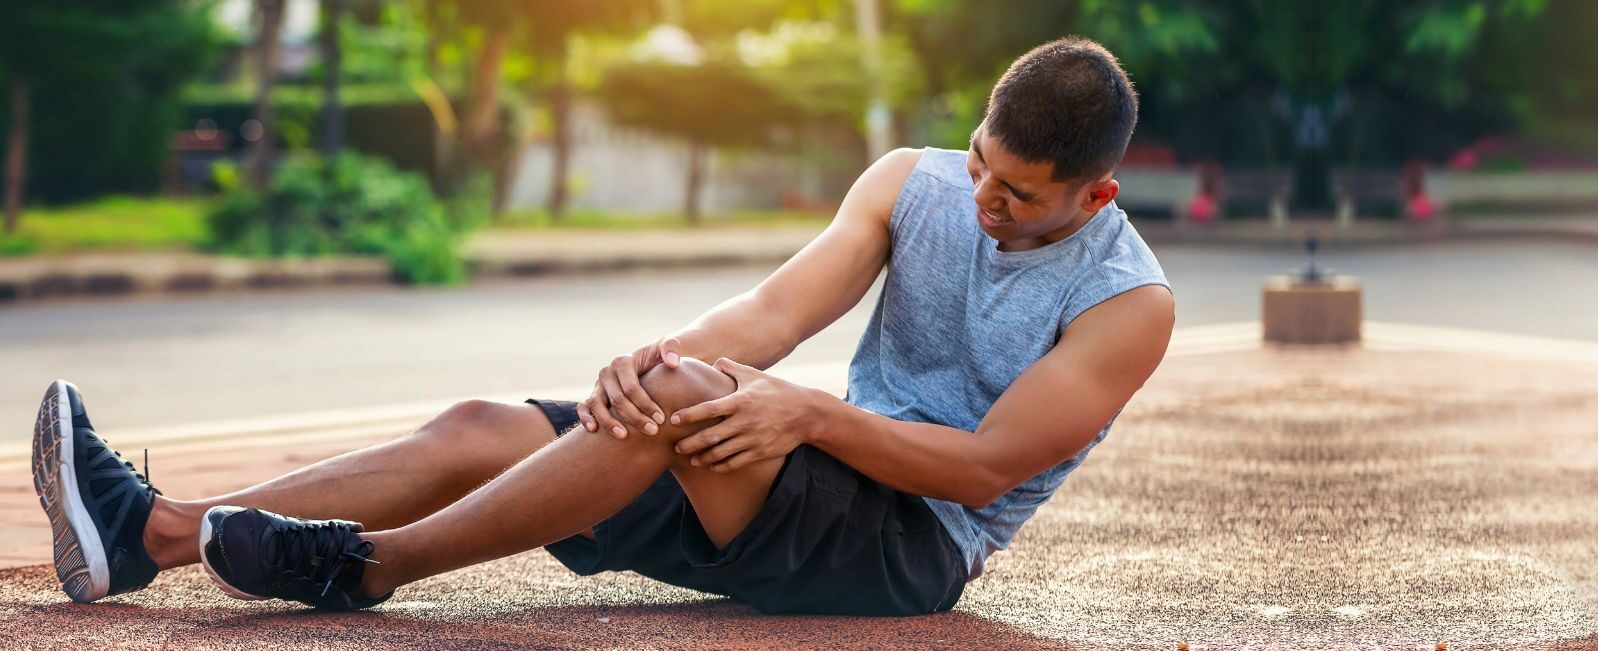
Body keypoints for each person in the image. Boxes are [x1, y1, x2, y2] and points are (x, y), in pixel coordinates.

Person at [29, 37, 1173, 616]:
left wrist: (807, 416)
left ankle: (367, 570)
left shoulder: (1128, 303)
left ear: (1093, 196)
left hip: (905, 547)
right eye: (978, 163)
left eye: (1015, 196)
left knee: (688, 401)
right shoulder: (907, 182)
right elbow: (772, 314)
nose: (980, 201)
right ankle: (153, 537)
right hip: (782, 476)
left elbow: (980, 473)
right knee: (491, 422)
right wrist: (655, 361)